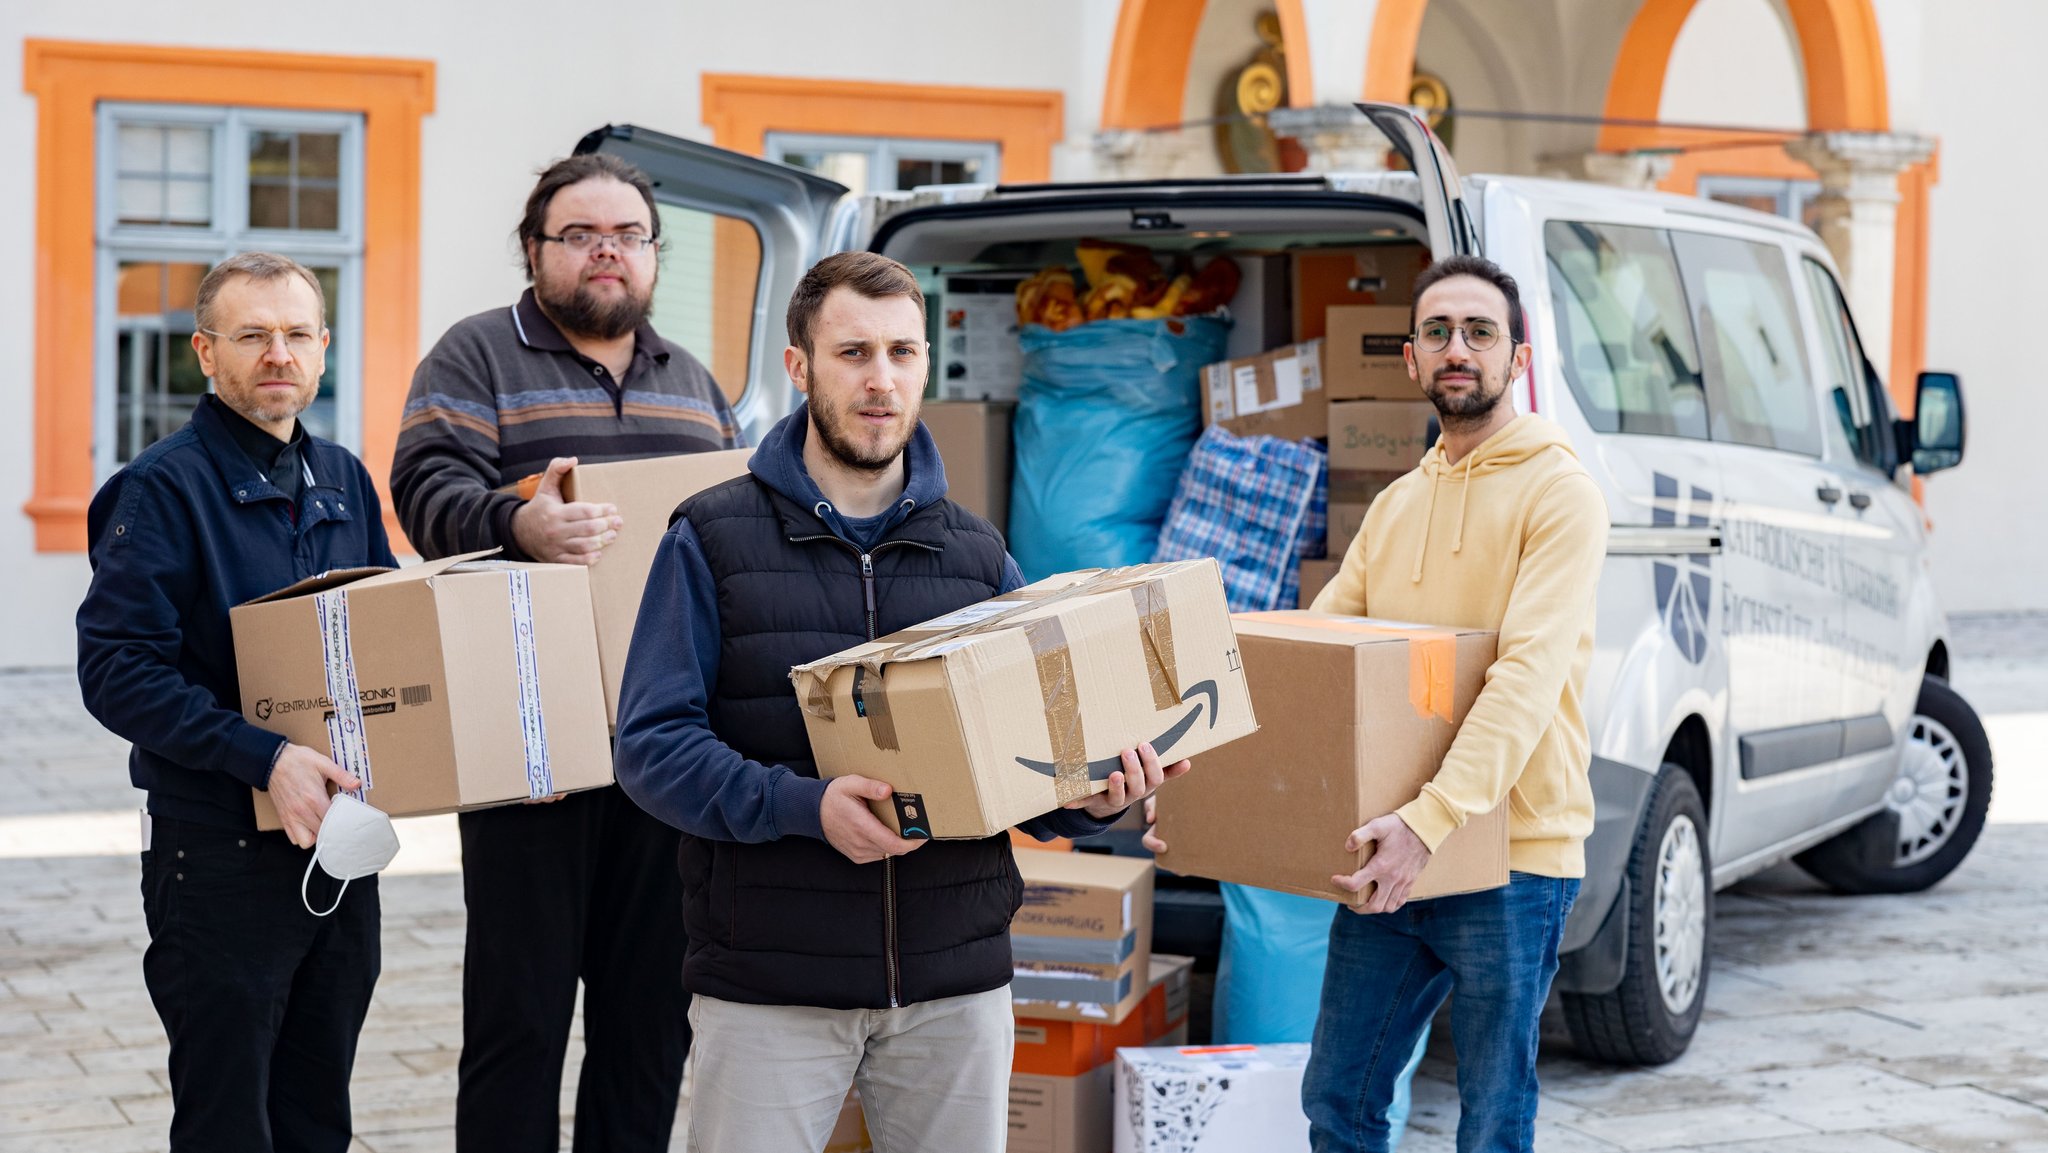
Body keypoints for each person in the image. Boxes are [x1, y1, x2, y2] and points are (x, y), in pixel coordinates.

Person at [614, 250, 1189, 1153]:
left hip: (954, 985)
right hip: (772, 982)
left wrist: (1086, 800)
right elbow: (651, 747)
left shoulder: (978, 554)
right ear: (799, 367)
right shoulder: (711, 536)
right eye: (853, 354)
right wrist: (806, 807)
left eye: (902, 353)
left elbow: (1026, 756)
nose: (881, 381)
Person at [388, 153, 738, 1152]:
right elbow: (422, 489)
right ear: (534, 251)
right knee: (519, 1019)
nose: (606, 253)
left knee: (647, 1022)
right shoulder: (476, 356)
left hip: (668, 748)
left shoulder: (695, 384)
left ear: (651, 255)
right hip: (526, 748)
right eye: (580, 234)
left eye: (627, 235)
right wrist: (517, 521)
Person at [76, 252, 397, 1152]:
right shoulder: (160, 489)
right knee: (228, 1124)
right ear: (205, 352)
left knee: (316, 1115)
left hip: (337, 848)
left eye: (296, 334)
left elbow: (387, 637)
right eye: (251, 334)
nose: (277, 353)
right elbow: (116, 670)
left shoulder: (342, 477)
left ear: (324, 349)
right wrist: (263, 757)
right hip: (215, 857)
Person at [1302, 254, 1608, 1152]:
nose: (1457, 349)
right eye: (1437, 332)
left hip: (1512, 852)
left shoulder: (1561, 494)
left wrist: (1428, 823)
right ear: (1411, 360)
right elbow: (1315, 657)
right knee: (1339, 1099)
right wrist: (1202, 780)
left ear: (1517, 359)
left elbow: (1523, 677)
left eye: (1479, 331)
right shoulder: (1397, 505)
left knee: (1492, 1118)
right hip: (1391, 844)